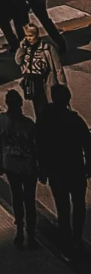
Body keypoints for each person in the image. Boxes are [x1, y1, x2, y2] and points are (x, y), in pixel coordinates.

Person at [37, 82, 91, 249]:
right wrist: (88, 166)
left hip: (56, 170)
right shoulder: (75, 120)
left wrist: (42, 170)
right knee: (79, 205)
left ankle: (66, 239)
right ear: (68, 99)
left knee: (62, 207)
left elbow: (40, 145)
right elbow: (88, 144)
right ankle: (76, 238)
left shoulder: (45, 118)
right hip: (75, 169)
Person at [0, 88, 40, 248]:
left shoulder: (1, 121)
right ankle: (31, 235)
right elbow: (37, 148)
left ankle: (20, 230)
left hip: (11, 165)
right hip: (28, 167)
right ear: (21, 104)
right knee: (29, 201)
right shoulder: (29, 125)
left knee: (17, 198)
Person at [16, 20, 64, 119]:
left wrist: (62, 84)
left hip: (46, 81)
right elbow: (18, 61)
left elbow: (58, 68)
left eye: (31, 35)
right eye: (27, 36)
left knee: (48, 107)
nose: (28, 38)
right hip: (32, 82)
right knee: (37, 107)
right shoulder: (26, 48)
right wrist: (21, 48)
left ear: (37, 35)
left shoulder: (48, 48)